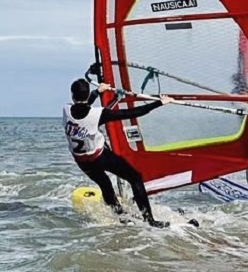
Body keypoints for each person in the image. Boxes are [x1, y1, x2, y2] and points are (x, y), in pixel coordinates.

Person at [63, 74, 173, 228]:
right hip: (99, 156)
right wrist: (159, 102)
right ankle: (150, 220)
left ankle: (120, 216)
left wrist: (98, 92)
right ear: (86, 94)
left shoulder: (66, 110)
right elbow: (133, 113)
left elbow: (82, 106)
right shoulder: (99, 114)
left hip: (82, 161)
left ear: (72, 95)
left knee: (105, 185)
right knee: (135, 177)